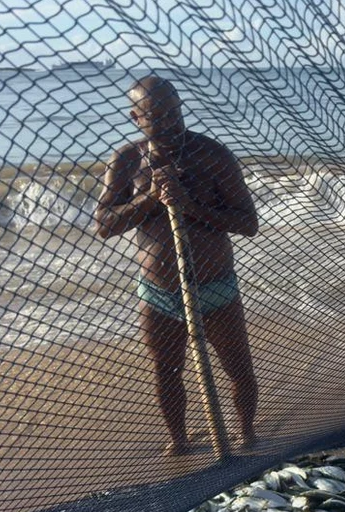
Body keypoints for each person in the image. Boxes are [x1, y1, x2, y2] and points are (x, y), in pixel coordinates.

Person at [94, 76, 260, 456]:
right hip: (158, 293)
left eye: (174, 112)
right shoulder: (127, 159)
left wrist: (190, 206)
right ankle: (179, 439)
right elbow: (104, 224)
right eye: (156, 115)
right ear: (136, 117)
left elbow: (247, 223)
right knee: (166, 371)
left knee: (237, 368)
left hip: (215, 287)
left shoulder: (212, 155)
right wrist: (152, 199)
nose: (169, 122)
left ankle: (247, 434)